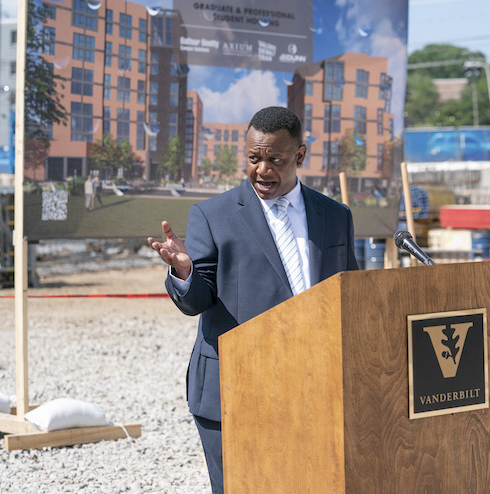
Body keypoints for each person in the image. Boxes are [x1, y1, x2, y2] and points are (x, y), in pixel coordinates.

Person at [147, 106, 359, 494]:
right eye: (253, 158)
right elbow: (197, 301)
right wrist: (184, 271)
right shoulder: (212, 215)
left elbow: (352, 296)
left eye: (274, 159)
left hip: (313, 388)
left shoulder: (335, 216)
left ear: (299, 155)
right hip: (233, 391)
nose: (262, 169)